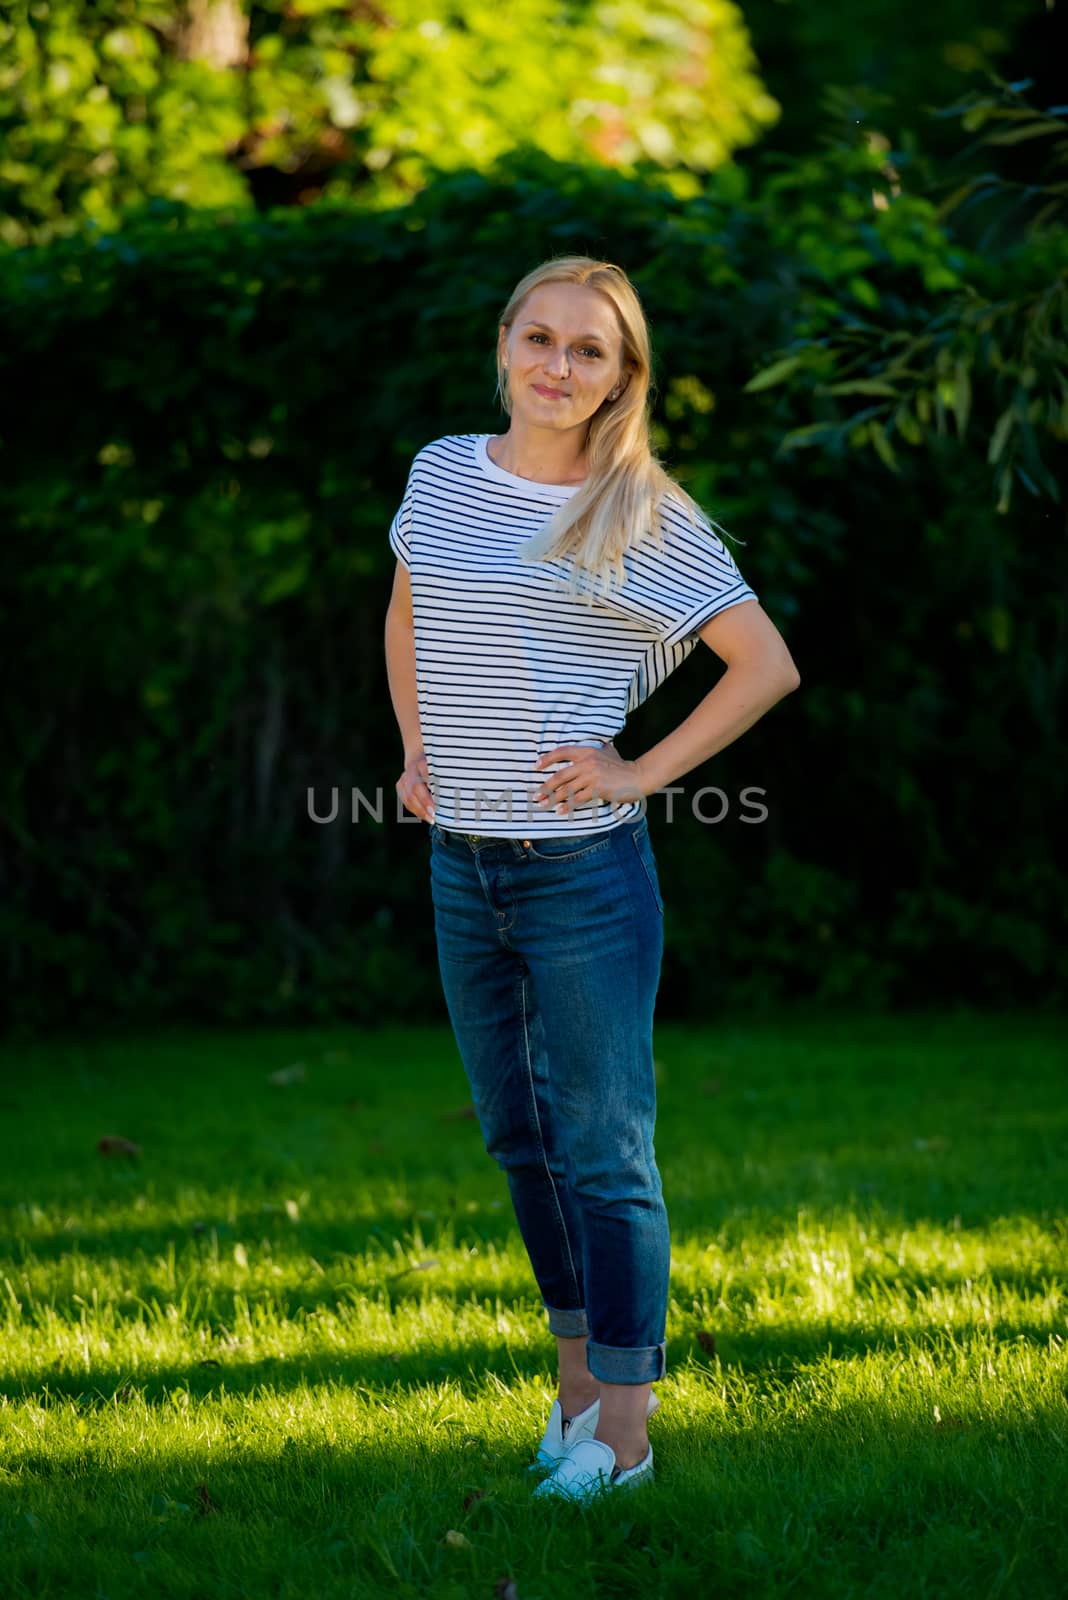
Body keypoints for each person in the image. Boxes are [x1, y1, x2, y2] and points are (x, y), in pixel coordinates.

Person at [383, 255, 800, 1502]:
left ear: (623, 377)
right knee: (519, 1137)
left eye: (590, 350)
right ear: (503, 341)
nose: (557, 367)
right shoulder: (443, 470)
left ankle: (626, 1431)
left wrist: (635, 771)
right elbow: (408, 612)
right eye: (540, 338)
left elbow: (762, 663)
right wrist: (416, 751)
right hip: (463, 864)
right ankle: (571, 1395)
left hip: (580, 880)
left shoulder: (640, 513)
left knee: (604, 1148)